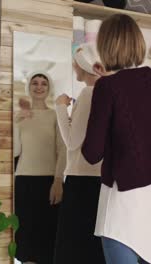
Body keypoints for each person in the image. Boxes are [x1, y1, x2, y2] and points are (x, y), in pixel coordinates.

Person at [81, 14, 151, 264]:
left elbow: (92, 153)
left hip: (124, 206)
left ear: (105, 46)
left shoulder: (107, 88)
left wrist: (102, 86)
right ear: (138, 42)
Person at [53, 43, 105, 264]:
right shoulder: (105, 93)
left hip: (81, 179)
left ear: (83, 67)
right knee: (91, 247)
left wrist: (59, 108)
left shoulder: (88, 92)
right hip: (99, 180)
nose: (74, 68)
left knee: (73, 248)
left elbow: (72, 142)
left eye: (75, 64)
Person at [13, 71, 66, 264]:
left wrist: (58, 181)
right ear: (29, 87)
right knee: (25, 238)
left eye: (44, 83)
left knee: (47, 236)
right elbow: (15, 151)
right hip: (23, 182)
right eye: (35, 83)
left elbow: (63, 150)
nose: (39, 86)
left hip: (49, 182)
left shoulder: (54, 116)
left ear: (49, 88)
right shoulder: (18, 116)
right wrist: (17, 123)